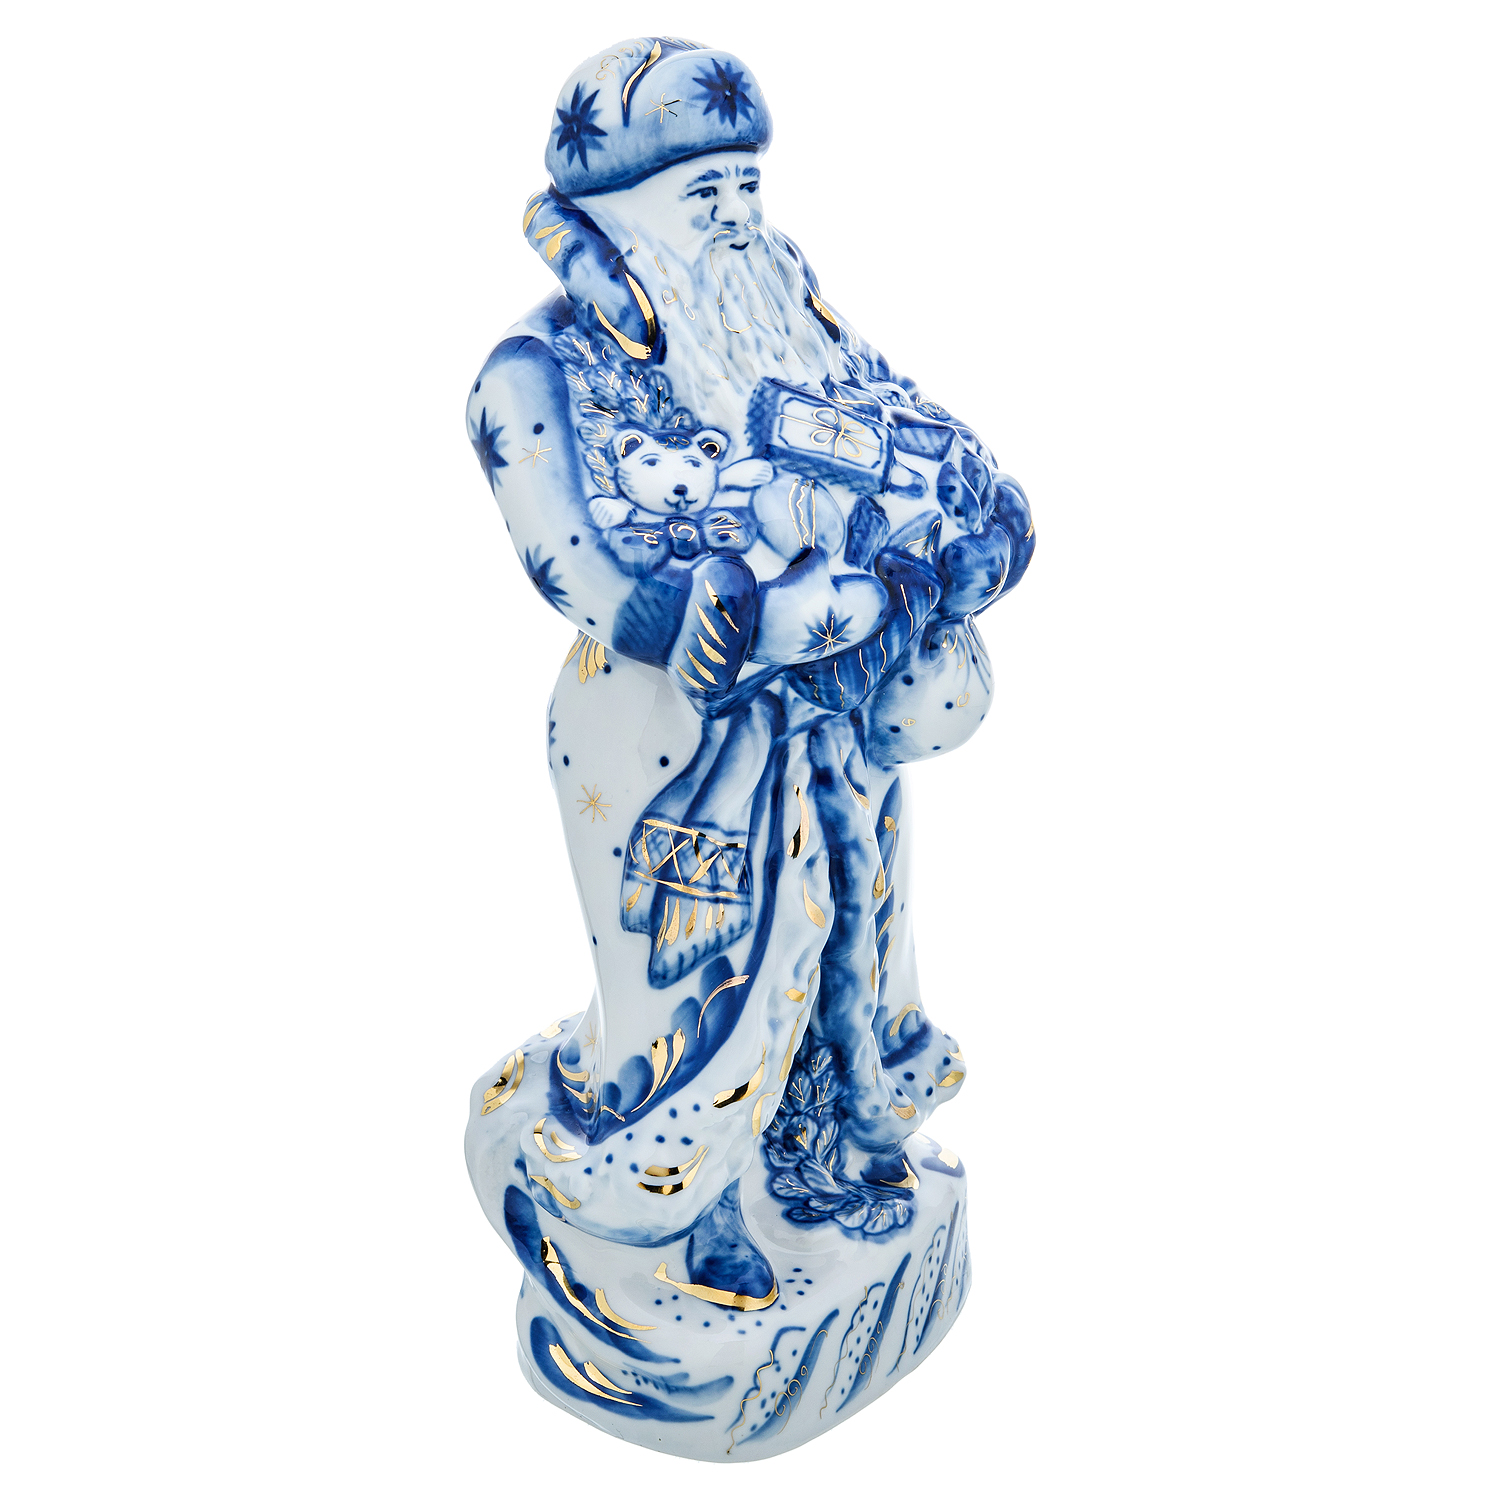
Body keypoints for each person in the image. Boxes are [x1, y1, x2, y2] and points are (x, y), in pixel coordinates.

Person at [463, 38, 1036, 1456]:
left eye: (744, 182)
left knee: (855, 931)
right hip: (660, 741)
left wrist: (970, 512)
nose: (732, 210)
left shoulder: (777, 303)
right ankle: (676, 1217)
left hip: (826, 710)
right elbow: (596, 575)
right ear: (615, 203)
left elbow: (894, 416)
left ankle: (822, 1155)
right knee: (702, 981)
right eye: (700, 188)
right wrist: (785, 605)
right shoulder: (537, 371)